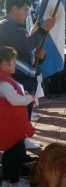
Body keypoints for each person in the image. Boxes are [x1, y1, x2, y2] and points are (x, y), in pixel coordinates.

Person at [0, 0, 55, 149]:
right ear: (14, 9)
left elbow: (26, 53)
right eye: (25, 10)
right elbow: (25, 45)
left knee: (22, 115)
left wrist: (40, 57)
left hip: (22, 78)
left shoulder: (17, 28)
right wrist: (43, 30)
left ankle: (21, 145)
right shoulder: (5, 26)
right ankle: (16, 156)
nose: (26, 14)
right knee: (15, 117)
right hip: (14, 79)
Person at [0, 46, 35, 186]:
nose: (16, 65)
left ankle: (15, 176)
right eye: (13, 62)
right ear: (3, 63)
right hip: (8, 126)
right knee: (12, 154)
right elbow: (14, 100)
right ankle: (10, 181)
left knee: (18, 150)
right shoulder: (3, 82)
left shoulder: (7, 80)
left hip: (12, 125)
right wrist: (29, 98)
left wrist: (25, 94)